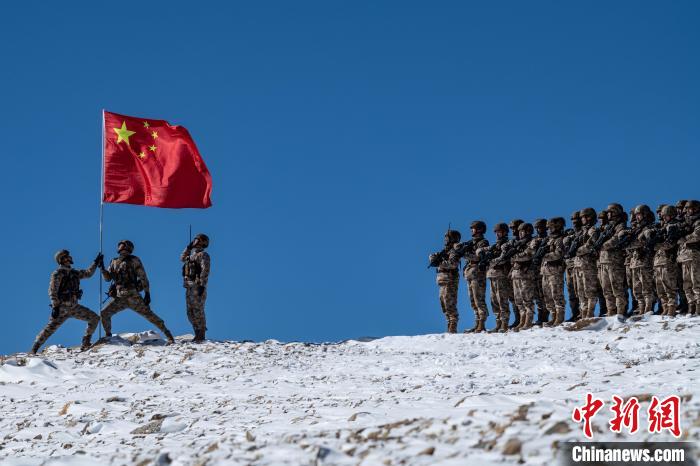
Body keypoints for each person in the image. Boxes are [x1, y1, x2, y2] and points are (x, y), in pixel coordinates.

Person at [100, 240, 175, 343]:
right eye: (120, 245)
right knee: (104, 313)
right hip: (119, 297)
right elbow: (108, 278)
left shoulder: (134, 260)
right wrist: (102, 268)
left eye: (122, 245)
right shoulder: (113, 261)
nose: (120, 247)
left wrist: (147, 293)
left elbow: (143, 277)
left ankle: (168, 335)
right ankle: (108, 336)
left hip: (133, 296)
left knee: (150, 315)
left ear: (128, 248)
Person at [30, 250, 102, 354]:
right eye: (66, 257)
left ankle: (85, 343)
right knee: (49, 329)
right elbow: (52, 291)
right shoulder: (58, 273)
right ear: (61, 260)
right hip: (62, 307)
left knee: (94, 318)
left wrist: (95, 262)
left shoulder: (74, 273)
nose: (69, 258)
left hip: (74, 307)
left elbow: (88, 273)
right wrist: (55, 306)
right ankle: (34, 349)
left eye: (68, 256)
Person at [455, 221, 489, 333]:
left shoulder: (483, 242)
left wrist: (464, 254)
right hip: (470, 273)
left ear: (479, 229)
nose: (471, 230)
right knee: (472, 301)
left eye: (473, 228)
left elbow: (478, 258)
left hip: (477, 273)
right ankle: (477, 322)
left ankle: (482, 323)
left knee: (479, 299)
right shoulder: (470, 243)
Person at [597, 204, 628, 319]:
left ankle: (620, 311)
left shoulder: (621, 226)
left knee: (617, 288)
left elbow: (616, 239)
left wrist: (602, 245)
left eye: (611, 212)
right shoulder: (607, 227)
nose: (608, 214)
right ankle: (611, 310)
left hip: (614, 261)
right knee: (606, 289)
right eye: (608, 212)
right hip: (603, 261)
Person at [428, 229, 462, 333]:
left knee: (450, 303)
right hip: (442, 280)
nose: (445, 240)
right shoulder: (444, 252)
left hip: (450, 280)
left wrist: (440, 263)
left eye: (448, 238)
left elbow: (453, 264)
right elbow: (432, 256)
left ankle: (453, 325)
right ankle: (449, 323)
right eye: (445, 238)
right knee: (443, 303)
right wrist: (434, 259)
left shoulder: (454, 252)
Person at [181, 233, 211, 342]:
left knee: (198, 310)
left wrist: (202, 285)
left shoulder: (203, 255)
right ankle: (197, 332)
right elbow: (182, 258)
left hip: (197, 286)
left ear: (203, 242)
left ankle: (201, 334)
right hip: (189, 286)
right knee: (190, 312)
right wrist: (188, 248)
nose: (195, 242)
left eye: (198, 240)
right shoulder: (191, 256)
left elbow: (205, 270)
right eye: (194, 240)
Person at [627, 205, 656, 314]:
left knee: (647, 288)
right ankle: (641, 308)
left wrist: (632, 243)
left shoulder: (649, 228)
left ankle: (648, 309)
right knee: (637, 289)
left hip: (645, 261)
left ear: (645, 215)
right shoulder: (636, 229)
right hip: (635, 262)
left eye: (639, 215)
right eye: (636, 215)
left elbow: (645, 242)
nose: (637, 217)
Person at [571, 208, 600, 319]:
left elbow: (591, 244)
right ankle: (583, 313)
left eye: (584, 217)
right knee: (580, 291)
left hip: (588, 265)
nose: (582, 219)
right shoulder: (581, 232)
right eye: (582, 217)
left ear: (590, 217)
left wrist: (577, 250)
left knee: (590, 290)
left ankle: (590, 313)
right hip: (578, 265)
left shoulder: (593, 230)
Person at [653, 205, 680, 317]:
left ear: (672, 215)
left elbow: (671, 243)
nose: (664, 218)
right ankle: (665, 307)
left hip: (668, 261)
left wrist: (657, 245)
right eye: (663, 216)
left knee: (669, 287)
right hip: (658, 261)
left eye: (666, 216)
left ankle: (672, 308)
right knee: (660, 288)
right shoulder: (662, 228)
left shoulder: (674, 226)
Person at [509, 223, 537, 331]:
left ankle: (528, 321)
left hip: (526, 274)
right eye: (519, 231)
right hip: (516, 274)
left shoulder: (532, 242)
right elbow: (511, 259)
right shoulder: (518, 244)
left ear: (528, 231)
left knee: (527, 299)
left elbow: (528, 255)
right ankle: (522, 320)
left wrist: (514, 256)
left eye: (522, 231)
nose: (520, 233)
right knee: (518, 300)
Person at [485, 223, 512, 333]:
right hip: (492, 275)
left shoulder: (507, 244)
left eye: (499, 232)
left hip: (501, 275)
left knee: (502, 300)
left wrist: (490, 261)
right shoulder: (494, 245)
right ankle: (498, 323)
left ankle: (504, 323)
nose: (497, 234)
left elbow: (503, 259)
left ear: (505, 232)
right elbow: (482, 251)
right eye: (496, 232)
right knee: (494, 300)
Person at [540, 217, 566, 326]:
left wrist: (544, 256)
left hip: (555, 271)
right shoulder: (548, 240)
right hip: (545, 271)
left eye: (551, 227)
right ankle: (553, 316)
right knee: (548, 296)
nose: (549, 229)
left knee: (557, 295)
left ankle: (559, 317)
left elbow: (559, 254)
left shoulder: (560, 239)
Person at [677, 200, 700, 316]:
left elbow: (697, 235)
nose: (687, 211)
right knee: (686, 284)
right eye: (687, 209)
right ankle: (691, 305)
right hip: (684, 257)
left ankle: (698, 306)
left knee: (696, 282)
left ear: (696, 209)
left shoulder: (698, 221)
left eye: (690, 209)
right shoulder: (685, 222)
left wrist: (684, 238)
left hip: (695, 255)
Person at [563, 211, 582, 321]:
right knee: (571, 293)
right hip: (569, 266)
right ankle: (575, 314)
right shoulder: (569, 234)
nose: (574, 223)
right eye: (573, 221)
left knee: (581, 291)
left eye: (577, 220)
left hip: (579, 266)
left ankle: (583, 313)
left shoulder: (583, 233)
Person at [507, 219, 524, 328]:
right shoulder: (511, 242)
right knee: (514, 298)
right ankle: (518, 319)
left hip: (524, 272)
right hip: (512, 272)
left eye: (515, 228)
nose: (513, 230)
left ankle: (526, 319)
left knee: (526, 297)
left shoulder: (526, 241)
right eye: (512, 228)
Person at [532, 219, 550, 325]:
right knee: (537, 295)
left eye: (541, 227)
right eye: (537, 228)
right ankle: (540, 315)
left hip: (544, 270)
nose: (539, 230)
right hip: (534, 270)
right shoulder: (533, 240)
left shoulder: (548, 239)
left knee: (545, 294)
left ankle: (545, 315)